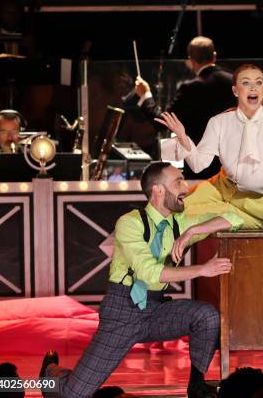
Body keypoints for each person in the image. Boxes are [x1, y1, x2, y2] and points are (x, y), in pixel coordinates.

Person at [39, 162, 244, 398]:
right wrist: (202, 269)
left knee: (206, 316)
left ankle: (197, 387)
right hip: (123, 311)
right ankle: (48, 374)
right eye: (178, 181)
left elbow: (234, 217)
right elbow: (149, 272)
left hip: (156, 309)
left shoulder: (182, 223)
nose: (186, 187)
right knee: (72, 395)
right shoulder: (130, 223)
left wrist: (193, 232)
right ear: (158, 190)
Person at [156, 64, 263, 229]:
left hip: (257, 203)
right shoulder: (219, 122)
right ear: (235, 90)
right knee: (170, 210)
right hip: (221, 188)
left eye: (258, 83)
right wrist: (182, 136)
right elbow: (199, 164)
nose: (253, 88)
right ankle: (129, 238)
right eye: (246, 83)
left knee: (189, 220)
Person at [135, 36, 235, 179]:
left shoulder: (191, 88)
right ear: (214, 56)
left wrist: (145, 96)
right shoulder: (234, 82)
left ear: (190, 60)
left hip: (202, 173)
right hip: (234, 169)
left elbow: (163, 123)